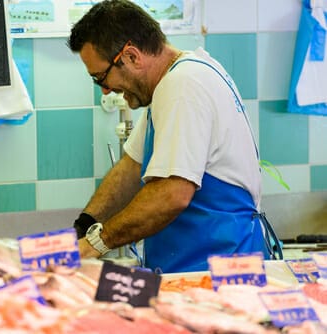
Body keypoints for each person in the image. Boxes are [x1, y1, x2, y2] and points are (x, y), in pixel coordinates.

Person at [68, 0, 279, 273]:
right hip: (193, 266)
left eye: (101, 78)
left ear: (131, 56)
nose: (105, 91)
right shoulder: (175, 80)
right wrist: (83, 228)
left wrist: (95, 243)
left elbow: (172, 194)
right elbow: (130, 167)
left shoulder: (184, 86)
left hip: (220, 271)